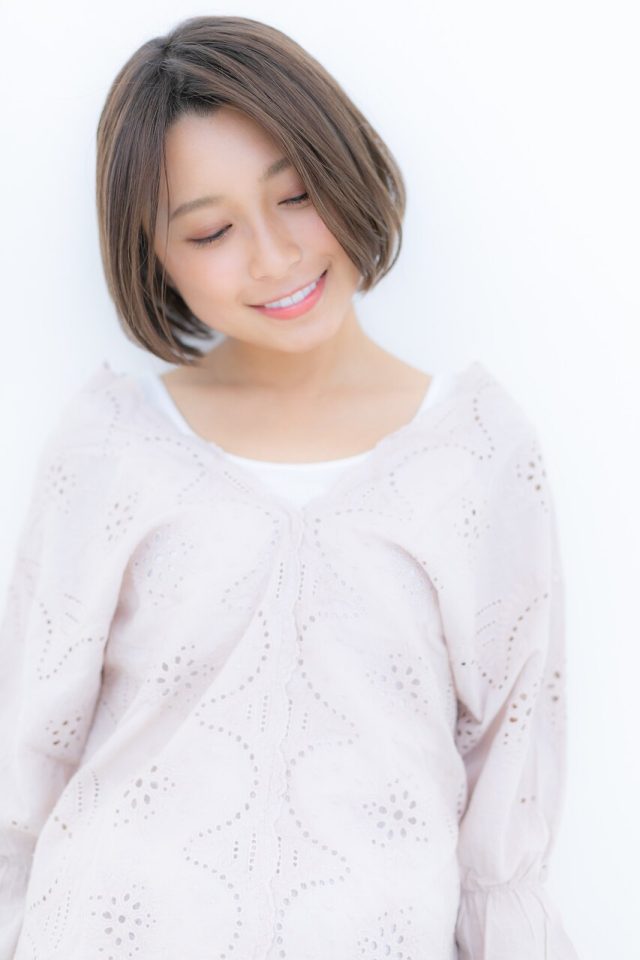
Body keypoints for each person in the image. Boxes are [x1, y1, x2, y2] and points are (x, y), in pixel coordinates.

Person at [0, 15, 579, 960]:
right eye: (212, 230)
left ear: (347, 168)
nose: (272, 257)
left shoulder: (476, 451)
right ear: (155, 253)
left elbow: (508, 798)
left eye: (298, 195)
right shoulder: (111, 445)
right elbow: (22, 774)